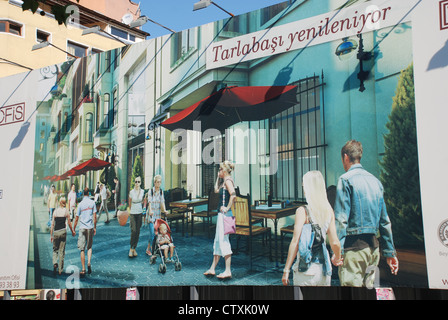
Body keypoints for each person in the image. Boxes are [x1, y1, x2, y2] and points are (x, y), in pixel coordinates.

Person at [334, 140, 399, 287]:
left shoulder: (345, 180)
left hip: (353, 250)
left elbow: (341, 219)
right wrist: (390, 253)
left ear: (345, 157)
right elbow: (385, 222)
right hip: (373, 250)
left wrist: (337, 250)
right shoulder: (376, 182)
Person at [282, 171, 343, 286]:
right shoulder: (329, 210)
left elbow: (295, 243)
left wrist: (286, 270)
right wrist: (338, 257)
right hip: (324, 270)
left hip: (305, 271)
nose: (304, 190)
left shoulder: (303, 211)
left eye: (304, 186)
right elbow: (335, 242)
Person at [204, 161, 236, 279]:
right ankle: (212, 268)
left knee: (223, 241)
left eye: (220, 170)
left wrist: (227, 208)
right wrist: (218, 178)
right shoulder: (224, 182)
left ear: (225, 170)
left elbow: (233, 195)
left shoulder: (228, 181)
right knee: (218, 241)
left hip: (225, 215)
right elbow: (216, 190)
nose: (219, 172)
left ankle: (228, 271)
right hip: (222, 215)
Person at [73, 187, 97, 276]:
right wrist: (95, 227)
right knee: (89, 247)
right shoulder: (92, 203)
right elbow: (94, 217)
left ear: (83, 194)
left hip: (82, 227)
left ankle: (83, 269)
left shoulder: (80, 204)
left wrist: (74, 228)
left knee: (82, 249)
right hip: (90, 227)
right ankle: (89, 263)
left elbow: (76, 218)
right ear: (89, 194)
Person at [50, 197, 75, 275]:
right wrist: (72, 231)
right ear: (64, 203)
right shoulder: (66, 211)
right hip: (63, 232)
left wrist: (51, 235)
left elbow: (52, 224)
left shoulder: (55, 211)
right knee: (61, 251)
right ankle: (60, 270)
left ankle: (55, 263)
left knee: (55, 250)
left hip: (56, 232)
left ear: (60, 202)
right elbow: (69, 223)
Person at [146, 175, 168, 256]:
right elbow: (150, 202)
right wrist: (150, 210)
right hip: (151, 216)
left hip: (158, 216)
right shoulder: (150, 191)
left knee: (156, 234)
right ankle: (151, 250)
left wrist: (164, 210)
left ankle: (149, 248)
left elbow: (162, 202)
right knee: (152, 233)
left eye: (160, 182)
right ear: (154, 182)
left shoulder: (161, 192)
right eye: (157, 182)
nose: (159, 184)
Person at [128, 176, 145, 258]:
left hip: (139, 212)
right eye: (136, 182)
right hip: (133, 213)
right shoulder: (131, 192)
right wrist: (130, 211)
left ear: (140, 183)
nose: (137, 183)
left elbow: (143, 201)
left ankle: (134, 248)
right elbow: (129, 202)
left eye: (138, 182)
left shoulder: (142, 191)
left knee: (138, 231)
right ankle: (131, 248)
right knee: (133, 230)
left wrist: (144, 209)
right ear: (134, 183)